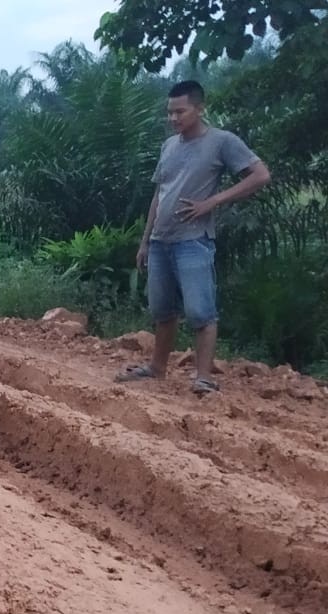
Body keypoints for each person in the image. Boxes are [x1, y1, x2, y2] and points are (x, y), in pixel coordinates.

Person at [117, 80, 270, 394]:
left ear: (200, 108)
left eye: (180, 112)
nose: (173, 118)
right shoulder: (169, 146)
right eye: (169, 113)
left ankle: (204, 378)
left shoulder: (221, 142)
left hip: (194, 239)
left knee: (200, 311)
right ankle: (157, 369)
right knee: (162, 310)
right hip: (161, 241)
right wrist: (145, 240)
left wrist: (212, 202)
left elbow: (260, 175)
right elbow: (159, 194)